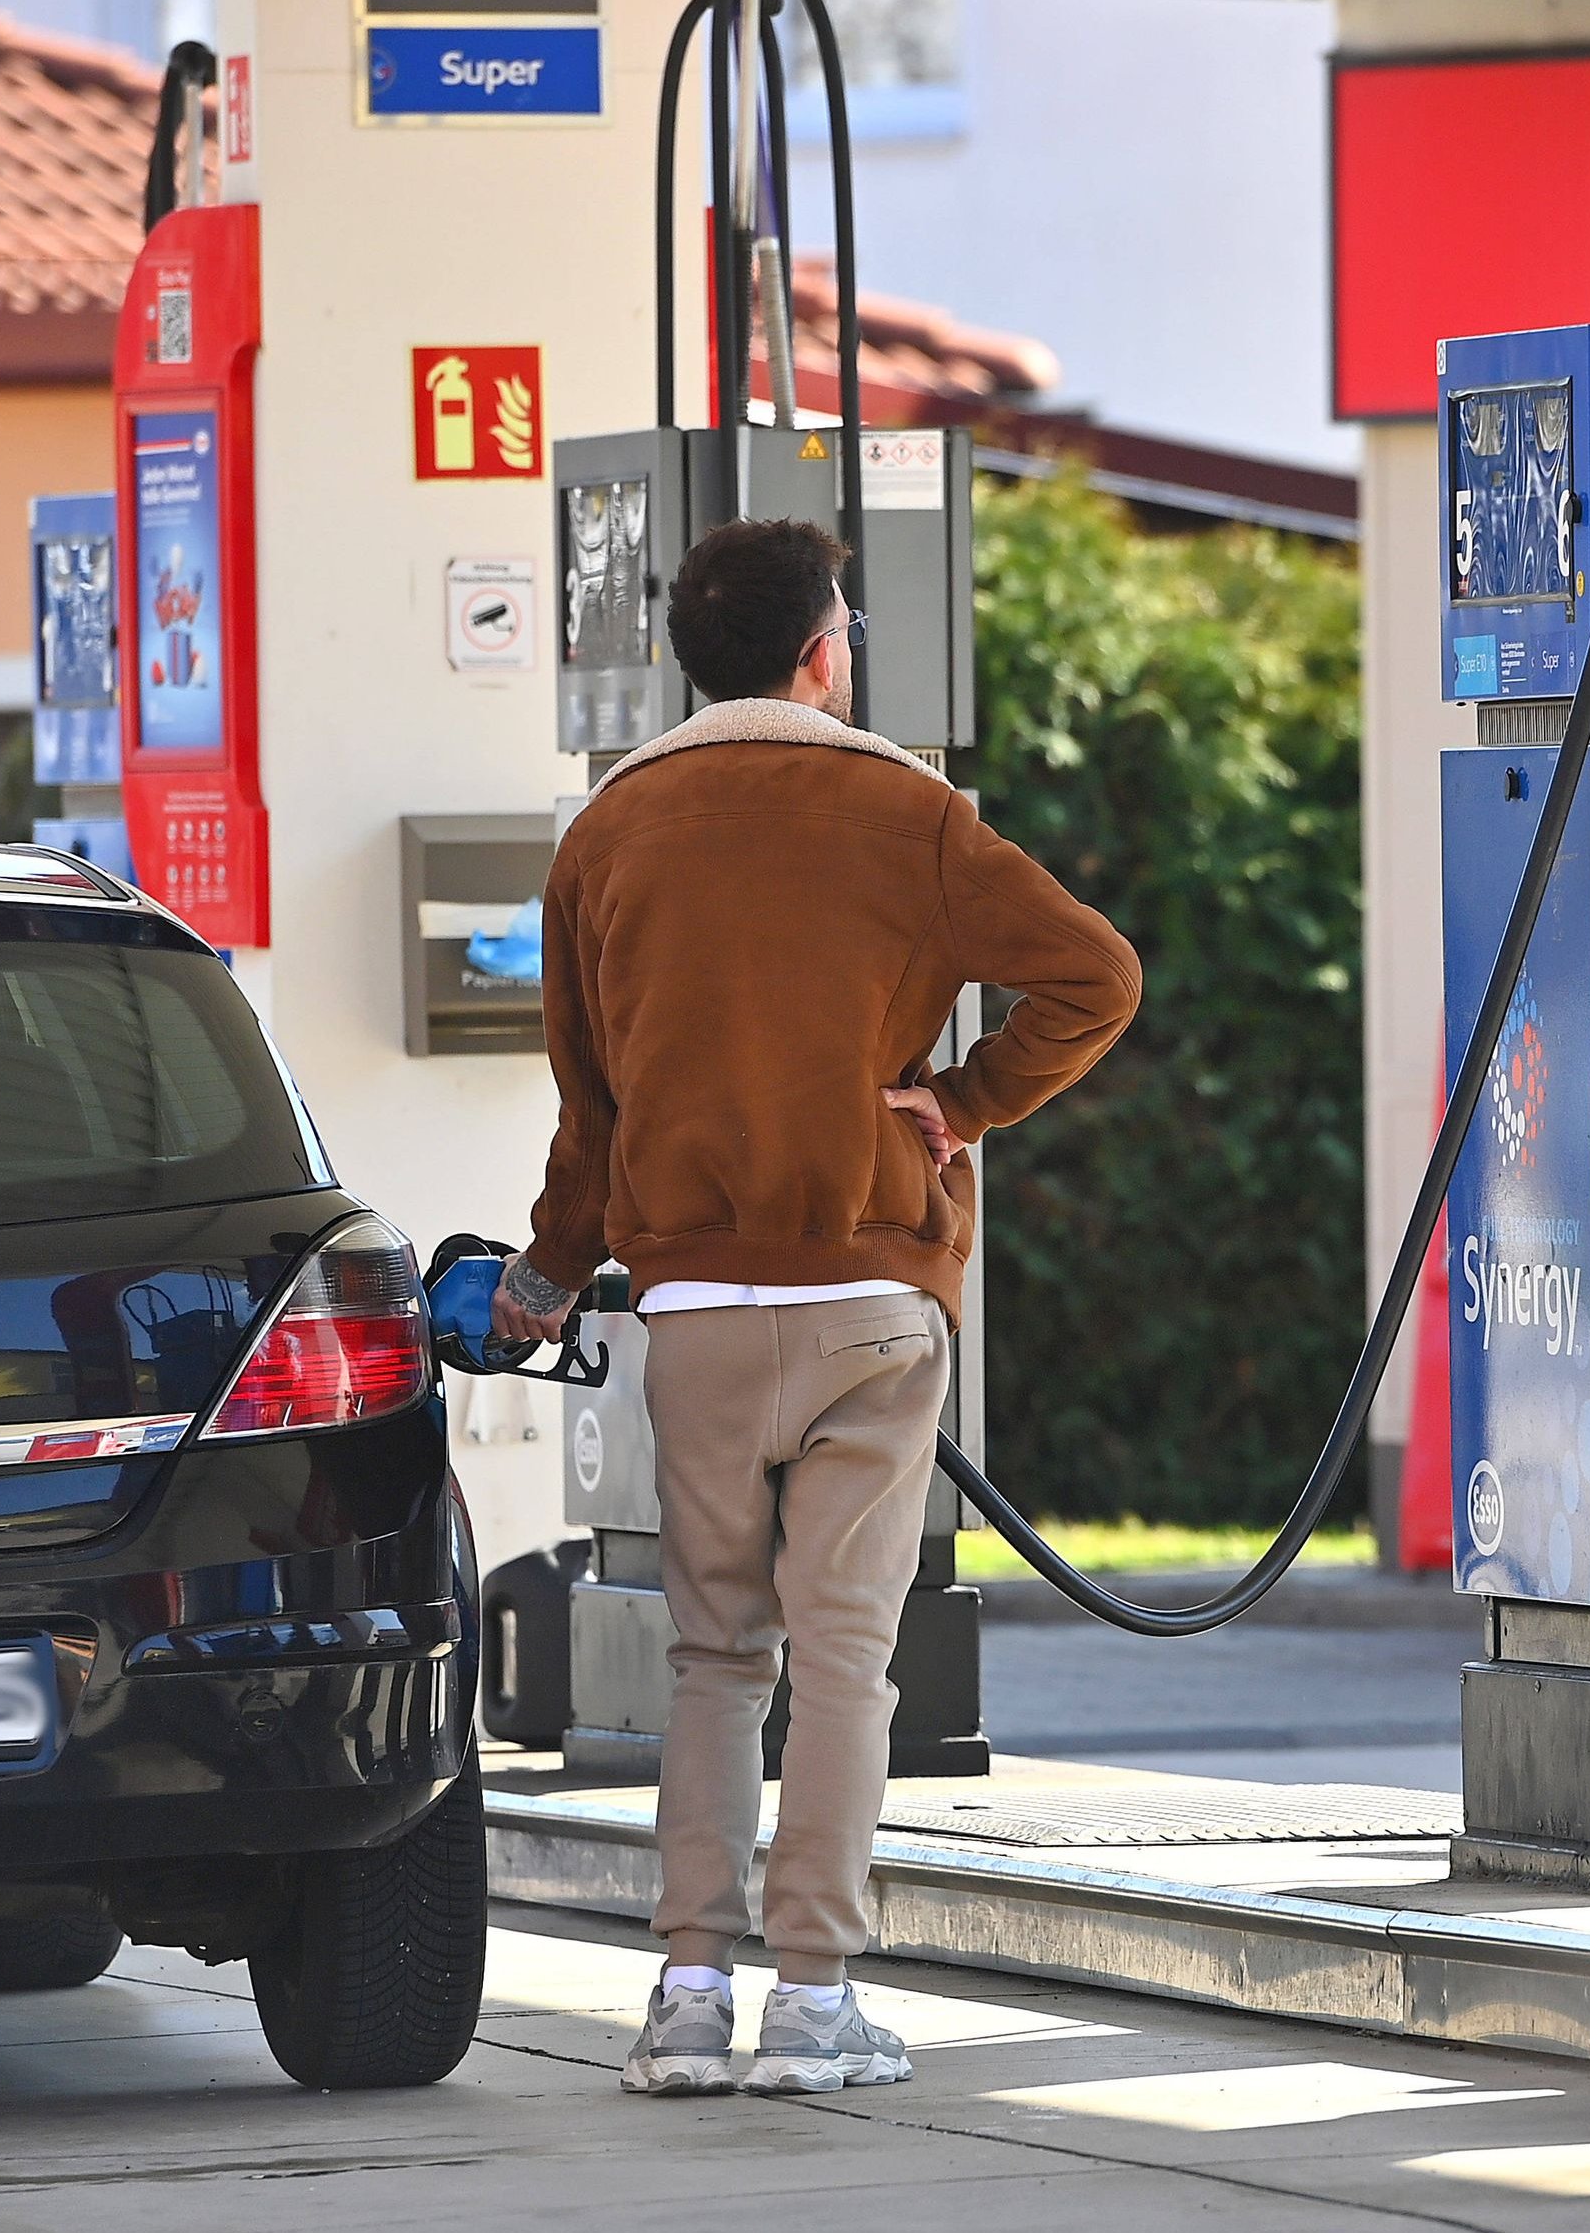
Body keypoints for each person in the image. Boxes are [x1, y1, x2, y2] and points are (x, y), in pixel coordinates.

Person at [493, 518, 1141, 2096]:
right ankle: (814, 1998)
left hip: (698, 1306)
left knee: (716, 1657)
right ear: (822, 652)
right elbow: (1098, 974)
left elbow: (593, 1108)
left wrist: (542, 1277)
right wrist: (963, 1103)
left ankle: (689, 1992)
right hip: (871, 1295)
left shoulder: (607, 833)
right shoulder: (910, 812)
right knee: (848, 1661)